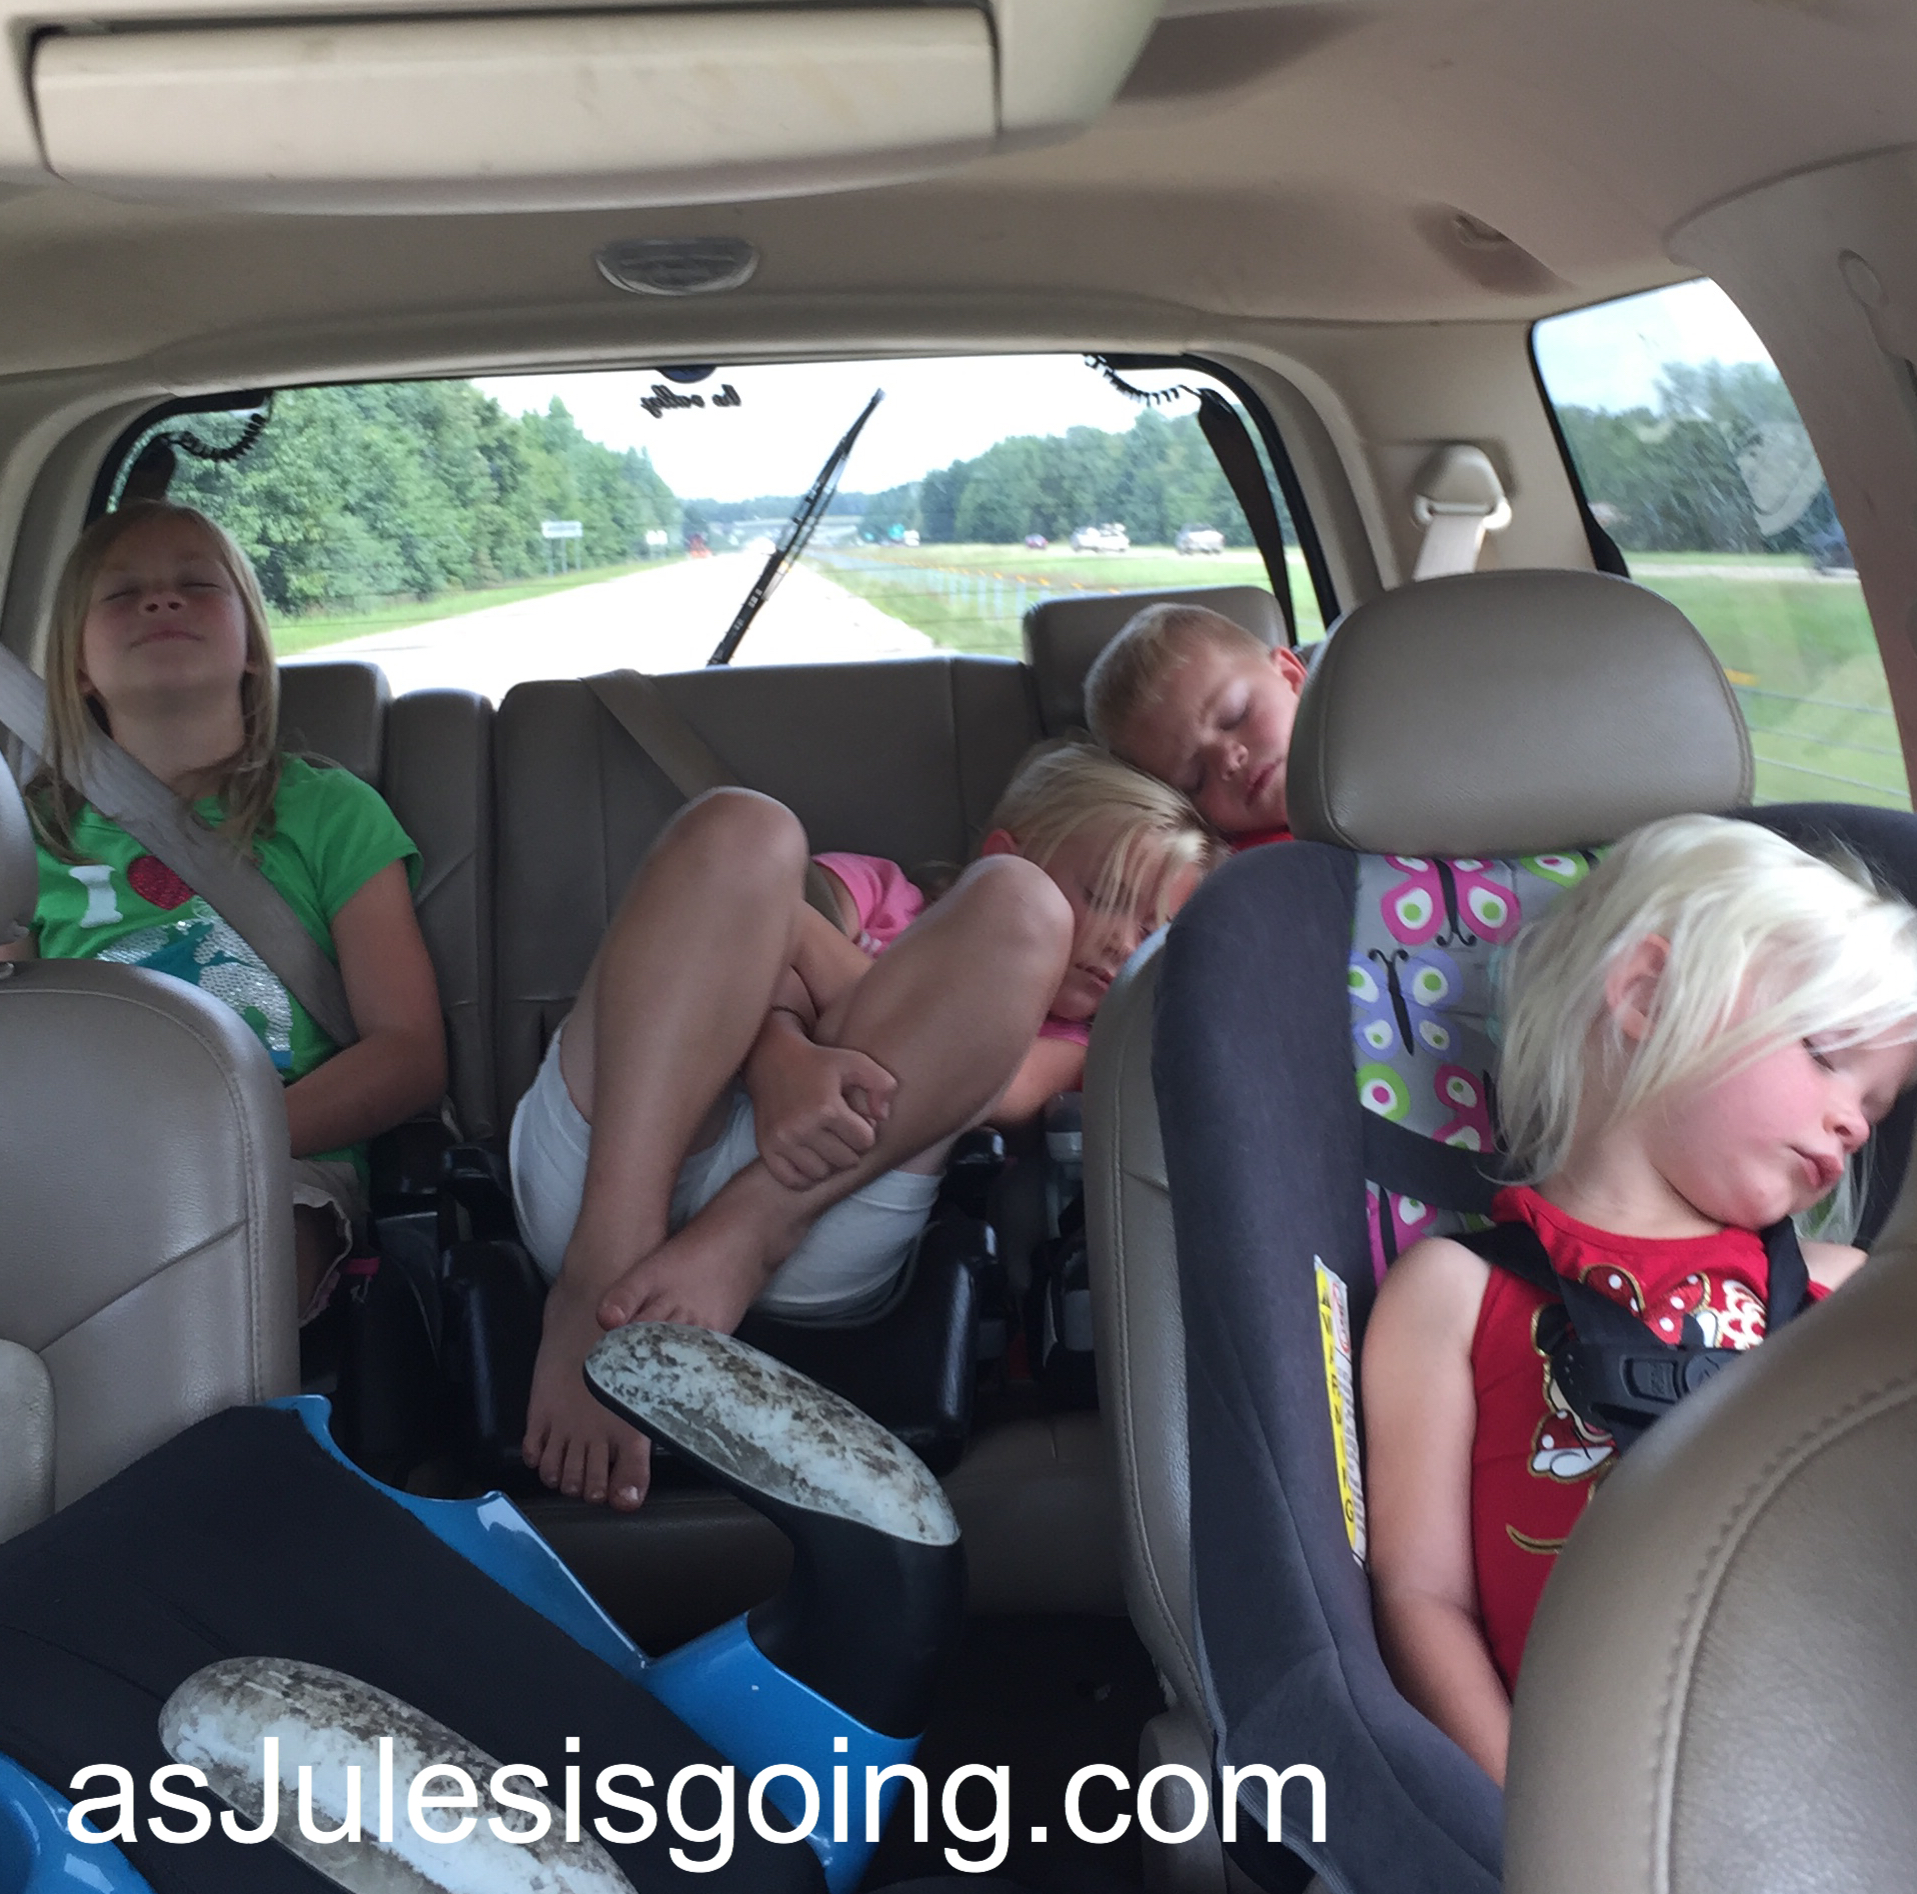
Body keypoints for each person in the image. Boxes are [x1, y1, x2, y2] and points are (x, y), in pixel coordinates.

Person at [1359, 815, 1917, 1786]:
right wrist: (1531, 1824)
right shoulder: (1452, 1294)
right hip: (1594, 1799)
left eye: (1876, 1106)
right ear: (1648, 995)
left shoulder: (1852, 1292)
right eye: (1826, 1054)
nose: (1853, 1124)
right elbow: (1421, 1599)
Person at [512, 742, 1221, 1511]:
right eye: (1107, 895)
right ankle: (598, 1275)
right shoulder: (878, 893)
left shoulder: (1088, 1041)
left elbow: (997, 1086)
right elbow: (726, 917)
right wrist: (781, 1054)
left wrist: (796, 968)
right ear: (1001, 847)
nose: (1124, 943)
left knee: (1024, 909)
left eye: (1155, 930)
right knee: (743, 827)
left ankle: (746, 1232)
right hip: (623, 1145)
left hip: (820, 1201)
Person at [0, 501, 446, 1320]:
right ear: (78, 667)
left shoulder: (329, 813)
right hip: (77, 1161)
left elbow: (408, 1051)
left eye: (197, 585)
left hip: (279, 1155)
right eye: (122, 593)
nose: (161, 600)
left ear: (251, 647)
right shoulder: (29, 837)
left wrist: (218, 1140)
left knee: (227, 1284)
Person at [1084, 602, 1307, 848]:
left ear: (1290, 676)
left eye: (1236, 716)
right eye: (1196, 779)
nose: (1228, 761)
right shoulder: (1257, 864)